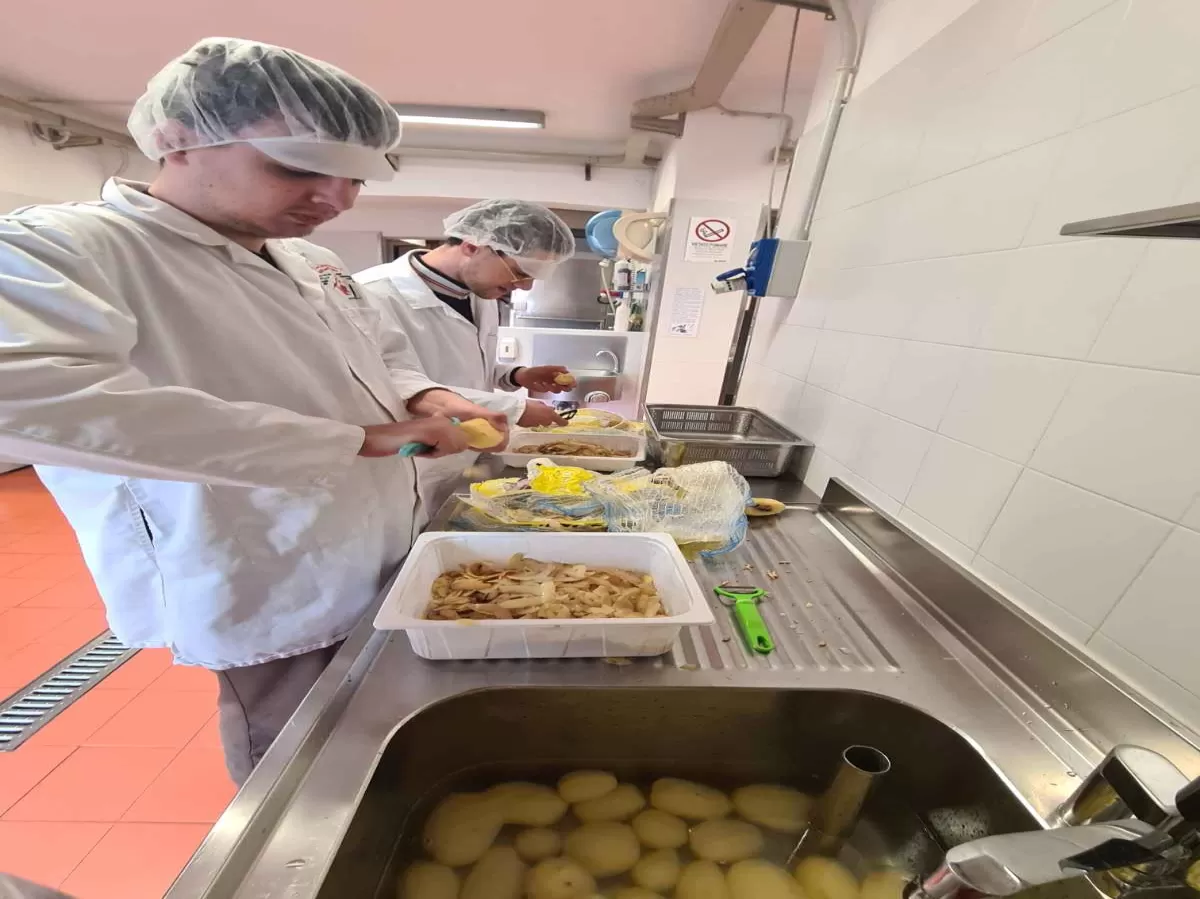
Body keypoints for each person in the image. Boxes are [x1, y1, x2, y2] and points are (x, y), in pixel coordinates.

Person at [0, 38, 507, 785]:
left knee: (381, 748)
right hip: (266, 574)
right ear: (178, 140)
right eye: (297, 167)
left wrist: (422, 395)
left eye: (354, 179)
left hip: (383, 548)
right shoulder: (62, 250)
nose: (336, 201)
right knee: (301, 772)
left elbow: (375, 356)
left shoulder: (314, 263)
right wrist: (351, 440)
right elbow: (36, 400)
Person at [357, 199, 578, 510]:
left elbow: (466, 362)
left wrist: (515, 376)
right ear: (474, 246)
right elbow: (384, 382)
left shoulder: (480, 293)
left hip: (466, 456)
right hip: (410, 468)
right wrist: (512, 408)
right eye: (519, 272)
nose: (524, 287)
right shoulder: (371, 294)